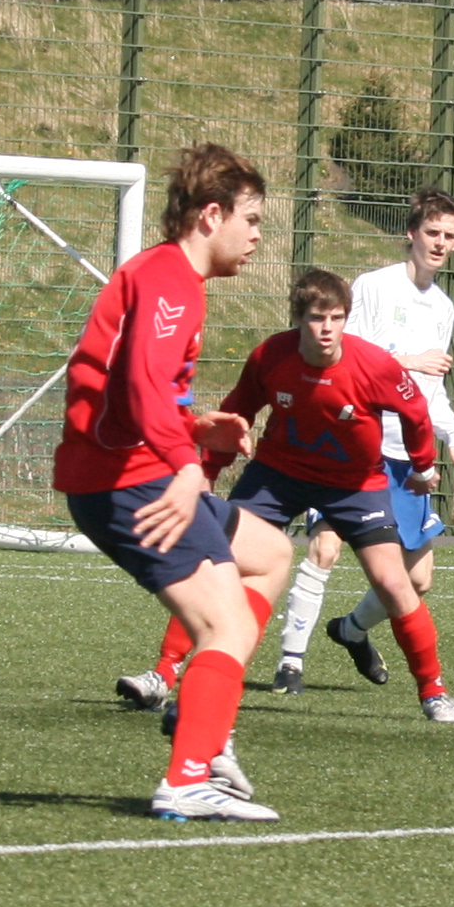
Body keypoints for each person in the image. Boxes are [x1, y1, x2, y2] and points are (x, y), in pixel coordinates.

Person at [55, 143, 288, 822]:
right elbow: (141, 382)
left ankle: (203, 722)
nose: (257, 235)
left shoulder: (168, 278)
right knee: (225, 625)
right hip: (128, 482)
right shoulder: (169, 281)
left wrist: (193, 429)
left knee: (271, 554)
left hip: (133, 469)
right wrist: (186, 463)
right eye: (251, 219)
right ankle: (188, 776)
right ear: (211, 216)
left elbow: (138, 391)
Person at [213, 266, 454, 723]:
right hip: (278, 474)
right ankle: (165, 672)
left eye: (336, 318)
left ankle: (433, 691)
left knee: (396, 582)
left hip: (355, 484)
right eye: (316, 317)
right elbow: (235, 412)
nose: (326, 328)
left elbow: (415, 410)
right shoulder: (271, 355)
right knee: (219, 560)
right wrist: (208, 469)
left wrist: (424, 465)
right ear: (298, 318)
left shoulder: (373, 364)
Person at [273, 191, 454, 693]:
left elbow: (430, 391)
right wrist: (408, 361)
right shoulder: (374, 286)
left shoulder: (443, 308)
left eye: (449, 236)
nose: (440, 243)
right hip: (356, 446)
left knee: (418, 580)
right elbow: (345, 354)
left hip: (406, 455)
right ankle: (290, 662)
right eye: (432, 233)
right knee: (325, 548)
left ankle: (350, 630)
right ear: (411, 234)